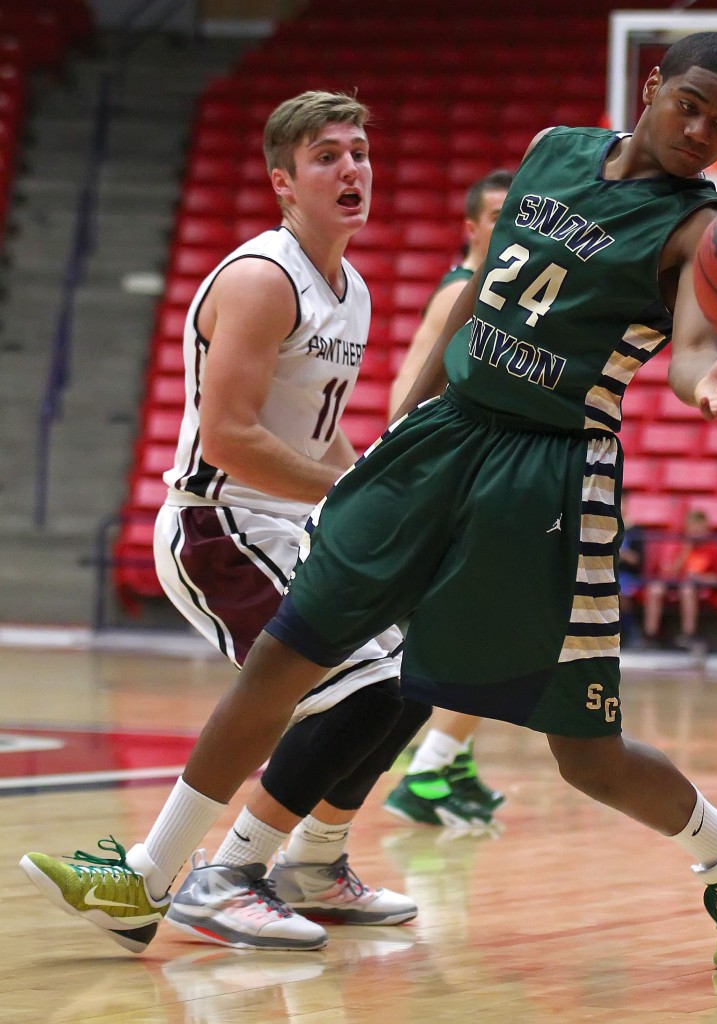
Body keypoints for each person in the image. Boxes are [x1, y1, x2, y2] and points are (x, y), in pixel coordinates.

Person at [22, 33, 717, 972]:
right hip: (444, 434)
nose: (705, 131)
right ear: (653, 84)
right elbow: (473, 304)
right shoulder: (553, 151)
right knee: (287, 651)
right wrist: (413, 417)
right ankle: (154, 876)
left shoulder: (699, 226)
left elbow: (697, 351)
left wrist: (710, 382)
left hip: (549, 475)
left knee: (582, 752)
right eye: (694, 104)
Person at [25, 90, 428, 954]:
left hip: (286, 524)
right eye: (327, 156)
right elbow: (232, 439)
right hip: (221, 528)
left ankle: (298, 867)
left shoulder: (348, 287)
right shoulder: (261, 277)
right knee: (365, 688)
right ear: (284, 182)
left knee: (418, 672)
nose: (351, 168)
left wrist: (377, 482)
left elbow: (315, 429)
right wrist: (346, 494)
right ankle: (217, 877)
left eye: (358, 151)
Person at [384, 169, 513, 828]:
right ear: (471, 226)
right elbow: (408, 399)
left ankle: (449, 762)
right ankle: (429, 769)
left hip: (459, 484)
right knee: (498, 637)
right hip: (439, 488)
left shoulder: (491, 292)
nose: (506, 223)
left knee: (498, 633)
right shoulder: (463, 293)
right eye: (495, 214)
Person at [643, 506, 717, 650]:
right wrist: (684, 552)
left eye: (697, 527)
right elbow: (671, 573)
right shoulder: (682, 547)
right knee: (655, 589)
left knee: (687, 589)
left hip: (700, 587)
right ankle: (651, 635)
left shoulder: (714, 548)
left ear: (705, 528)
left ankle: (689, 635)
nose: (693, 531)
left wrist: (699, 578)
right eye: (690, 527)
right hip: (677, 584)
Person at [616, 489, 646, 646]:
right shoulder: (606, 528)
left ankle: (630, 632)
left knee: (620, 592)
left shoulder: (635, 530)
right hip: (608, 573)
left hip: (628, 575)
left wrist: (621, 551)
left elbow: (637, 560)